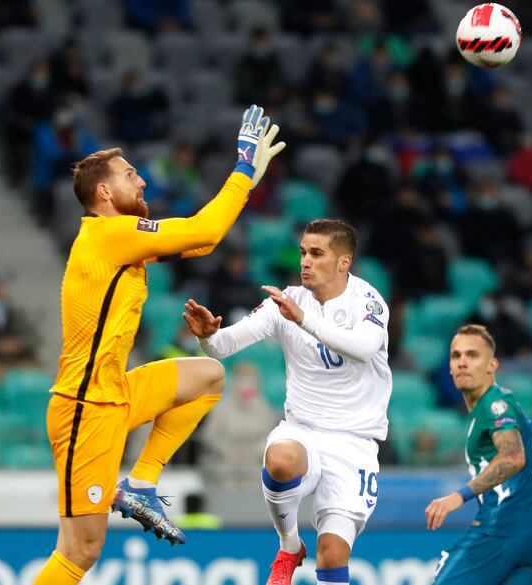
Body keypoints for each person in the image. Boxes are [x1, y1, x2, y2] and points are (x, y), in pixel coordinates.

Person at [32, 105, 285, 585]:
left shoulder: (116, 239)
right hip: (85, 409)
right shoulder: (108, 234)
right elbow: (203, 231)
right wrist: (242, 167)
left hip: (114, 395)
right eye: (131, 175)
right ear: (104, 192)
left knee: (209, 376)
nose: (143, 181)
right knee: (79, 551)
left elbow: (202, 242)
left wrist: (246, 184)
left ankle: (141, 482)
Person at [183, 219, 392, 585]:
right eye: (302, 253)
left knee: (332, 556)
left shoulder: (368, 302)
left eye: (316, 253)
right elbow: (225, 345)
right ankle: (289, 545)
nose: (305, 262)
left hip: (354, 442)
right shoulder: (286, 301)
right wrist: (207, 338)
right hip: (303, 431)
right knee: (280, 460)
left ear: (344, 262)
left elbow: (362, 348)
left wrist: (304, 320)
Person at [425, 324, 532, 584]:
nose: (462, 362)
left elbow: (513, 457)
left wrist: (459, 496)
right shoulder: (496, 404)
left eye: (472, 355)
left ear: (492, 365)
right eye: (456, 356)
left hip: (499, 533)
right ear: (449, 367)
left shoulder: (494, 405)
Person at [199, 361, 279, 487]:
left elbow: (271, 438)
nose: (246, 385)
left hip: (254, 472)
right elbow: (210, 436)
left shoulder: (264, 409)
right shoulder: (221, 409)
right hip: (225, 472)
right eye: (242, 380)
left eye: (250, 380)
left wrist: (258, 450)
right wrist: (227, 451)